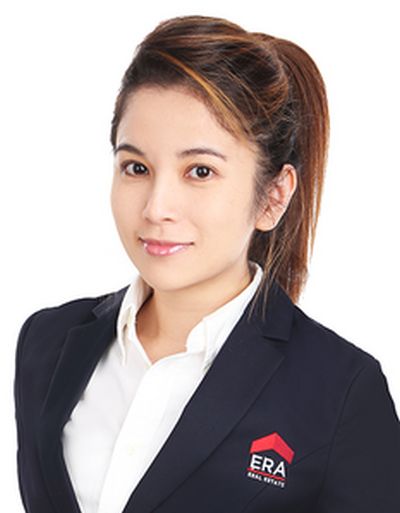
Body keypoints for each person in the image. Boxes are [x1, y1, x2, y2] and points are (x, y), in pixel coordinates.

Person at [14, 14, 400, 513]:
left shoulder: (341, 392)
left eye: (200, 171)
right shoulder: (46, 342)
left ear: (273, 196)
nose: (156, 208)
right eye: (136, 167)